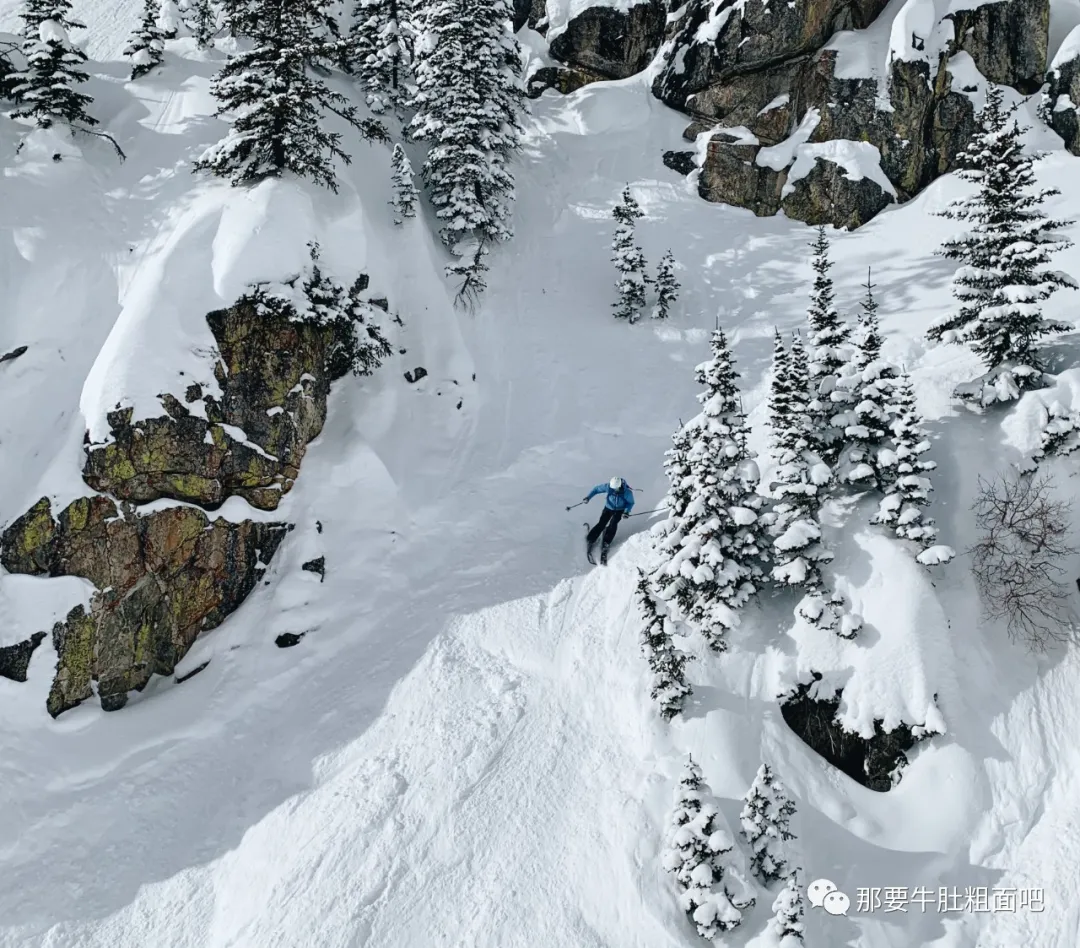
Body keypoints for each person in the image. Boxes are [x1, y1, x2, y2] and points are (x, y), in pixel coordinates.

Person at [583, 476, 634, 563]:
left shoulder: (627, 492)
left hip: (619, 511)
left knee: (613, 524)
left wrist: (626, 512)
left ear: (620, 486)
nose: (614, 490)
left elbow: (630, 503)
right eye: (613, 488)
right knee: (602, 523)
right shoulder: (609, 487)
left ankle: (606, 542)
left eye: (616, 489)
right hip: (608, 508)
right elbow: (596, 489)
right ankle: (591, 538)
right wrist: (588, 497)